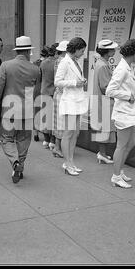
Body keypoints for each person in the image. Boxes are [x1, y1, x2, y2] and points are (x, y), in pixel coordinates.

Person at [0, 36, 40, 184]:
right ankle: (20, 166)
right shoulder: (35, 69)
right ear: (29, 51)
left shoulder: (6, 66)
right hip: (27, 111)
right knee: (24, 139)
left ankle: (15, 162)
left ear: (17, 50)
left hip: (9, 110)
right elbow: (37, 94)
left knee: (6, 139)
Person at [106, 39, 135, 188]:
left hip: (130, 112)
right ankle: (115, 176)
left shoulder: (128, 66)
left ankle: (119, 171)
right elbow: (110, 90)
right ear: (133, 53)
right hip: (124, 113)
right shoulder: (122, 69)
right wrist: (128, 96)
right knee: (121, 145)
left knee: (131, 143)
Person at [54, 37, 88, 176]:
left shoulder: (74, 61)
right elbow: (57, 82)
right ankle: (67, 164)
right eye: (82, 50)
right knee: (68, 134)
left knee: (75, 133)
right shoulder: (65, 62)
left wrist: (81, 81)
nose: (83, 53)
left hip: (77, 100)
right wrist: (75, 83)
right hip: (70, 101)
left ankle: (71, 162)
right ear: (75, 49)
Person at [91, 39, 119, 164]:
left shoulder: (101, 63)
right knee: (105, 128)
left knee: (103, 127)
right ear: (107, 51)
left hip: (101, 100)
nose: (114, 51)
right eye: (112, 49)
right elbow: (105, 86)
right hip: (105, 101)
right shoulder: (103, 65)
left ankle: (102, 153)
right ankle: (102, 153)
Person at [38, 43, 59, 154]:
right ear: (56, 52)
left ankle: (46, 140)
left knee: (45, 117)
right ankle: (52, 140)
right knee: (53, 118)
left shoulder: (43, 63)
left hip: (44, 91)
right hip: (53, 92)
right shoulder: (56, 63)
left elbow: (40, 77)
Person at [52, 41, 68, 158]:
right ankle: (58, 147)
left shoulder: (58, 60)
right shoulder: (63, 61)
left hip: (58, 93)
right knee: (61, 122)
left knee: (58, 122)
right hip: (62, 94)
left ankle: (57, 147)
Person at [33, 47, 49, 143]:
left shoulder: (35, 63)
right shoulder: (47, 64)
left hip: (36, 88)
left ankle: (35, 133)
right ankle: (45, 133)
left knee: (36, 111)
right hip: (45, 89)